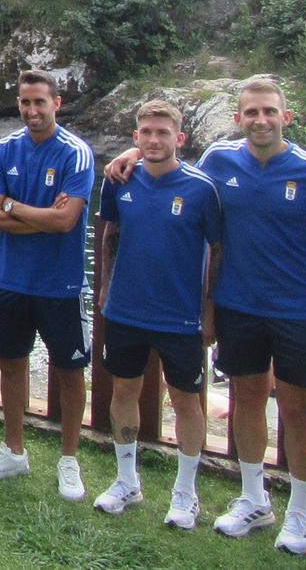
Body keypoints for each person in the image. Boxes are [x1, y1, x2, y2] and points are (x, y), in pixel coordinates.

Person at [105, 74, 306, 552]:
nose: (260, 120)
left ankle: (300, 511)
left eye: (269, 111)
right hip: (239, 306)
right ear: (237, 119)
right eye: (251, 112)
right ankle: (254, 498)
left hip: (298, 309)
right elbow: (165, 168)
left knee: (297, 410)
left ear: (286, 117)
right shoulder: (218, 162)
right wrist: (130, 156)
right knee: (247, 402)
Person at [91, 99, 222, 529]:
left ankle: (186, 491)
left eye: (163, 133)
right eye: (146, 132)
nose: (153, 140)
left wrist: (209, 309)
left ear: (179, 139)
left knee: (186, 399)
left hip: (180, 316)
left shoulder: (202, 189)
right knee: (124, 392)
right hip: (127, 309)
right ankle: (127, 480)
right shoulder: (119, 181)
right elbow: (109, 233)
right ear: (135, 137)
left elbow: (218, 251)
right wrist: (106, 290)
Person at [0, 69, 95, 500]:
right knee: (10, 362)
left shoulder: (75, 153)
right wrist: (38, 214)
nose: (32, 110)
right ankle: (14, 449)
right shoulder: (4, 149)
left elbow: (66, 222)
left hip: (60, 284)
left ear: (56, 103)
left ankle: (69, 459)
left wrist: (14, 207)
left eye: (40, 102)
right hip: (11, 281)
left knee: (70, 371)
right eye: (25, 102)